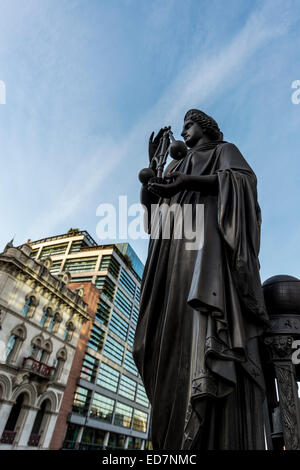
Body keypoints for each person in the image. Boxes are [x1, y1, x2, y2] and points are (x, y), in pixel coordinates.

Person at [132, 109, 269, 450]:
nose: (183, 132)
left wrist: (190, 182)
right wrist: (150, 178)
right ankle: (169, 442)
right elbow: (153, 221)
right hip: (171, 258)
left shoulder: (224, 151)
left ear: (205, 128)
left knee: (198, 331)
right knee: (158, 340)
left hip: (203, 257)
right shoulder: (176, 166)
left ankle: (207, 432)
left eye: (188, 125)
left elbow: (243, 184)